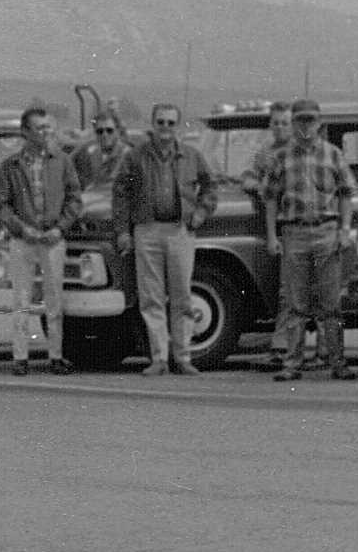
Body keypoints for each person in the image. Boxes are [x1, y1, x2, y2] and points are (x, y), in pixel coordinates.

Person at [112, 103, 218, 376]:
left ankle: (182, 357)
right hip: (146, 230)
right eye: (161, 122)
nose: (166, 128)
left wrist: (199, 214)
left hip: (180, 230)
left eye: (171, 123)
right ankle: (159, 358)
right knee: (151, 297)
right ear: (153, 124)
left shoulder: (192, 156)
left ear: (178, 126)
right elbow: (120, 193)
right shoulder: (135, 156)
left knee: (183, 294)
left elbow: (210, 187)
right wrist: (123, 231)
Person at [260, 98, 358, 382]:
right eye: (300, 120)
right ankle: (292, 363)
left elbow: (346, 193)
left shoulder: (333, 154)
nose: (306, 126)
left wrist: (344, 229)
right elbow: (269, 198)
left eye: (311, 120)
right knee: (295, 303)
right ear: (293, 123)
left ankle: (337, 362)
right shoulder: (281, 157)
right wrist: (271, 236)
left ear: (319, 123)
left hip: (327, 230)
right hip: (294, 232)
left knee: (331, 302)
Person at [0, 106, 84, 376]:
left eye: (48, 127)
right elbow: (1, 204)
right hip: (24, 240)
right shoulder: (11, 165)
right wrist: (22, 229)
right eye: (39, 128)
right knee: (21, 298)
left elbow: (74, 198)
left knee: (54, 299)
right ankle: (20, 357)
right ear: (25, 132)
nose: (46, 133)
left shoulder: (62, 161)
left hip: (53, 239)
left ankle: (55, 355)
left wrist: (61, 228)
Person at [242, 101, 303, 371]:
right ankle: (285, 346)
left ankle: (286, 348)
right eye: (276, 122)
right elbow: (247, 177)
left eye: (285, 123)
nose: (280, 127)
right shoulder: (265, 153)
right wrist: (257, 185)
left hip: (297, 223)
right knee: (283, 290)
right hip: (275, 226)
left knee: (294, 291)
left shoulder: (298, 152)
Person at [71, 112, 132, 189]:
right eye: (100, 131)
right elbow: (67, 167)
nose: (104, 135)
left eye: (109, 130)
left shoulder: (128, 155)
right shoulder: (86, 150)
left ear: (117, 131)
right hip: (88, 196)